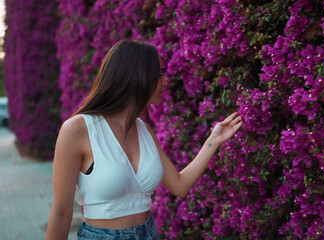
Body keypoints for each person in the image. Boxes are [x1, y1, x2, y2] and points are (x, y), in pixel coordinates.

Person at [45, 39, 242, 240]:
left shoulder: (145, 131)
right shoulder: (78, 129)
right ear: (136, 76)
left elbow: (179, 185)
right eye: (159, 75)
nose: (165, 82)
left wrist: (214, 140)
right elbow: (61, 213)